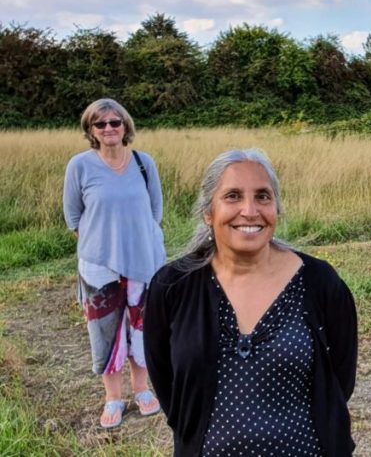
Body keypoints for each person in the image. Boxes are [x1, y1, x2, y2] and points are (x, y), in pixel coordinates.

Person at [143, 149, 358, 456]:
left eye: (263, 197)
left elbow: (340, 380)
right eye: (232, 196)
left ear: (276, 209)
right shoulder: (172, 286)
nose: (249, 210)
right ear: (208, 212)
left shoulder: (320, 282)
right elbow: (168, 385)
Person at [62, 98, 165, 429]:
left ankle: (142, 391)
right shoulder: (79, 166)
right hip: (99, 268)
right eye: (100, 124)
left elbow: (155, 211)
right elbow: (73, 216)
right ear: (91, 130)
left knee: (142, 328)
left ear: (125, 126)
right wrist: (101, 247)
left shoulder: (143, 163)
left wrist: (138, 244)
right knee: (104, 333)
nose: (108, 128)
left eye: (114, 122)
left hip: (143, 262)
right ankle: (113, 399)